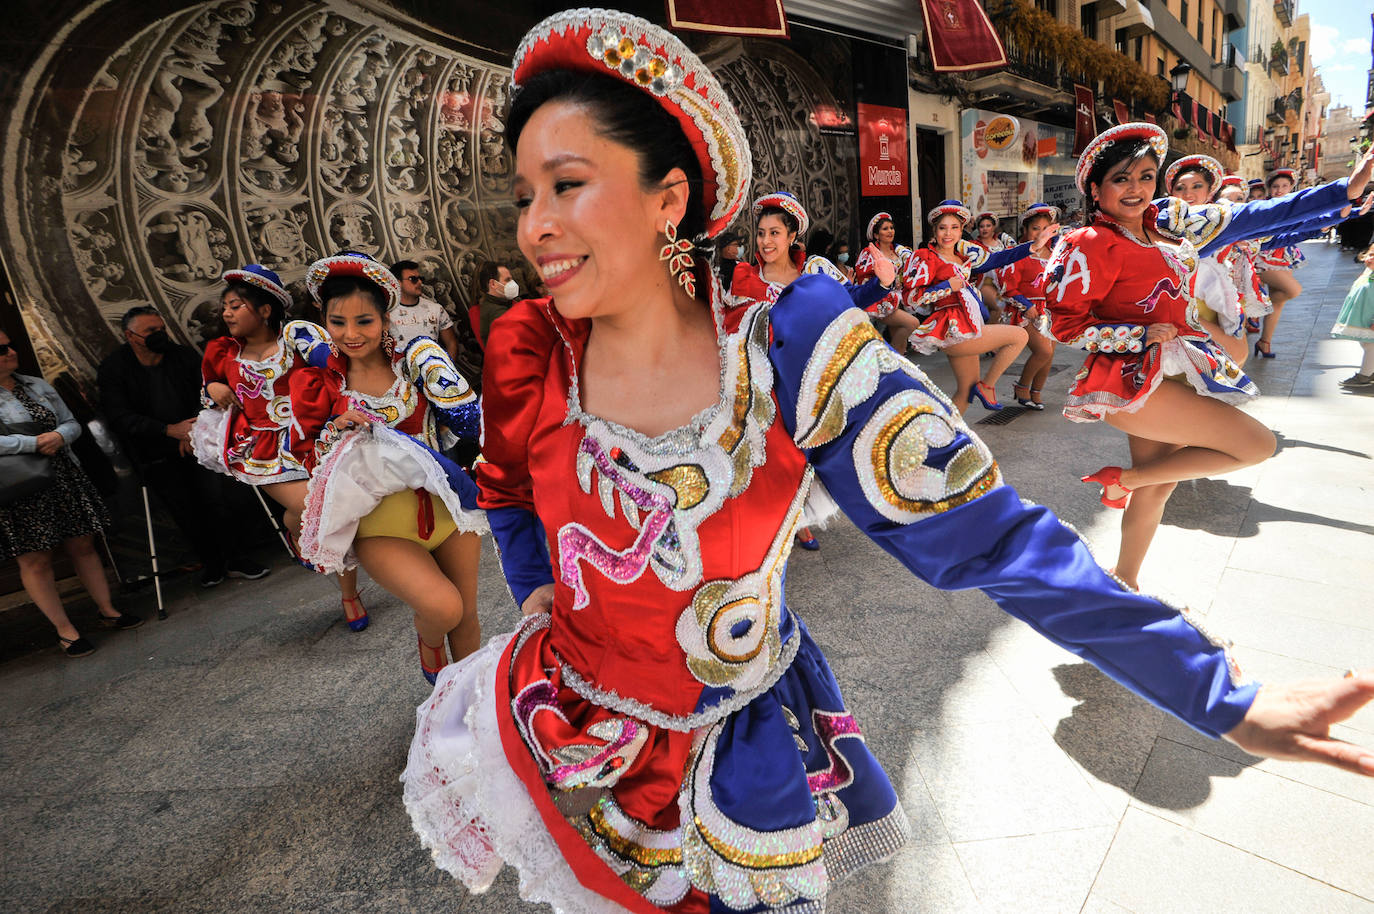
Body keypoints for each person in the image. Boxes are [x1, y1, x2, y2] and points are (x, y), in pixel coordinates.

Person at [401, 16, 1374, 914]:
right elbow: (509, 490)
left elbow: (997, 540)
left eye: (566, 185)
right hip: (567, 724)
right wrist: (533, 588)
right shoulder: (529, 345)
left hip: (741, 756)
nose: (533, 226)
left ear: (671, 198)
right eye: (524, 196)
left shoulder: (788, 343)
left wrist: (1217, 694)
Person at [1040, 123, 1370, 590]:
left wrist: (1343, 190)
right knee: (1257, 445)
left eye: (1146, 176)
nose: (1136, 189)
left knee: (1159, 484)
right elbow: (1062, 324)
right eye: (1121, 178)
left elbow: (1250, 217)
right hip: (1134, 382)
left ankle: (1125, 579)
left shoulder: (1166, 221)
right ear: (1095, 189)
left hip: (1181, 366)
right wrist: (1137, 335)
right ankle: (1124, 480)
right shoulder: (1088, 243)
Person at [290, 253, 486, 681]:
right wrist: (335, 428)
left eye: (364, 321)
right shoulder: (319, 383)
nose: (351, 334)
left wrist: (445, 386)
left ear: (385, 318)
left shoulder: (416, 360)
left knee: (467, 617)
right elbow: (307, 460)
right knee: (444, 608)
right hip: (381, 527)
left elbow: (471, 423)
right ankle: (429, 639)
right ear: (324, 321)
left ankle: (467, 705)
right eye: (338, 322)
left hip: (450, 510)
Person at [190, 264, 365, 629]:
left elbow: (336, 364)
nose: (227, 313)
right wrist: (212, 388)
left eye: (236, 305)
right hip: (262, 447)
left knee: (328, 513)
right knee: (315, 506)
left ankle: (349, 593)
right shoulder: (222, 352)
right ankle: (300, 529)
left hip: (312, 438)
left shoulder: (296, 338)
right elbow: (208, 395)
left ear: (265, 309)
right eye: (225, 307)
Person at [729, 191, 897, 551]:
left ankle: (799, 513)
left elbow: (849, 299)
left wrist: (881, 283)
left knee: (812, 448)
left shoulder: (815, 273)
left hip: (808, 376)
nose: (766, 241)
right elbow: (731, 329)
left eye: (775, 233)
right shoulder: (745, 277)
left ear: (792, 236)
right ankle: (786, 518)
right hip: (764, 380)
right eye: (761, 233)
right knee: (775, 453)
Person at [97, 306, 269, 587]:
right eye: (150, 331)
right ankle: (212, 564)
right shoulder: (114, 369)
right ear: (130, 336)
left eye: (161, 329)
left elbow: (206, 392)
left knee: (217, 501)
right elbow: (119, 416)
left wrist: (192, 431)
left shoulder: (182, 356)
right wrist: (167, 431)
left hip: (197, 441)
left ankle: (237, 559)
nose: (159, 334)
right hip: (155, 451)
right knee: (184, 510)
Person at [1, 328, 140, 657]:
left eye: (11, 345)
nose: (10, 352)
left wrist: (60, 436)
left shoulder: (35, 384)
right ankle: (65, 631)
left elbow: (71, 422)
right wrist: (32, 443)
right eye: (1, 349)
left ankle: (108, 610)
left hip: (64, 474)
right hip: (18, 485)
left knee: (83, 543)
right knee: (35, 559)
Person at [901, 200, 1031, 413]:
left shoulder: (962, 257)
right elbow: (910, 299)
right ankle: (987, 387)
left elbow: (999, 258)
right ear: (934, 230)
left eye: (954, 227)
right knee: (1019, 336)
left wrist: (1033, 246)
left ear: (962, 230)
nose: (948, 233)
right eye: (942, 228)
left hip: (967, 325)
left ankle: (947, 432)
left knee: (966, 391)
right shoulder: (926, 257)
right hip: (951, 329)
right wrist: (947, 286)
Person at [996, 203, 1061, 410]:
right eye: (1035, 228)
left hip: (1050, 311)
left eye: (1045, 228)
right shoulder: (1018, 254)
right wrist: (1026, 305)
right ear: (1025, 229)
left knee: (1049, 356)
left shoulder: (1056, 254)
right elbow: (1007, 287)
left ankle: (1036, 393)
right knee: (1043, 352)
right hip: (1027, 311)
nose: (1041, 233)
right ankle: (1022, 386)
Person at [1254, 168, 1304, 358]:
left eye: (1284, 186)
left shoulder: (1293, 206)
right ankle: (1252, 315)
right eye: (1275, 186)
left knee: (1279, 301)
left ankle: (1264, 342)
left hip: (1283, 256)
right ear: (1269, 188)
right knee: (1293, 290)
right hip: (1261, 257)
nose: (1279, 190)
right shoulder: (1265, 207)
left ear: (1291, 187)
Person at [853, 211, 920, 344]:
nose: (890, 231)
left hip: (899, 299)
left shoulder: (900, 251)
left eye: (891, 228)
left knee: (899, 338)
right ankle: (890, 353)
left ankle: (896, 356)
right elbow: (863, 278)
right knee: (912, 323)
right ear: (876, 235)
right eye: (885, 229)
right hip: (880, 300)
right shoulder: (869, 253)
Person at [388, 260, 461, 362]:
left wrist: (447, 368)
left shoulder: (435, 309)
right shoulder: (386, 312)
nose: (420, 282)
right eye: (413, 279)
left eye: (420, 278)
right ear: (397, 282)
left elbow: (451, 343)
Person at [1333, 242, 1374, 388]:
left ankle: (1365, 375)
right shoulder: (1369, 272)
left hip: (1370, 317)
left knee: (1370, 345)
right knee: (1366, 343)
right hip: (1364, 315)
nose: (1371, 258)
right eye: (1371, 254)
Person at [972, 211, 1016, 324]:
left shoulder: (1002, 242)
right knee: (999, 307)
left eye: (988, 226)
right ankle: (987, 334)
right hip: (984, 283)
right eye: (982, 226)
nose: (985, 229)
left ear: (993, 227)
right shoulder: (974, 245)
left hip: (1003, 283)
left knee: (1007, 311)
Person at [474, 259, 519, 346]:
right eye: (508, 280)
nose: (513, 283)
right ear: (493, 284)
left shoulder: (502, 303)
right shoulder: (496, 312)